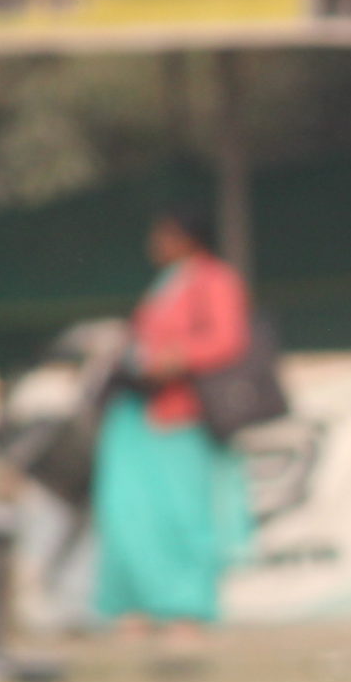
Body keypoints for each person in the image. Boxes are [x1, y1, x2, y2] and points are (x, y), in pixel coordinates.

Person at [92, 207, 253, 639]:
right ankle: (135, 607)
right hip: (135, 411)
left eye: (166, 235)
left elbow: (228, 339)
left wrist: (178, 358)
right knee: (128, 513)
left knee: (182, 514)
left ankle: (186, 609)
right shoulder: (166, 284)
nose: (157, 244)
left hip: (181, 412)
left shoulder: (215, 280)